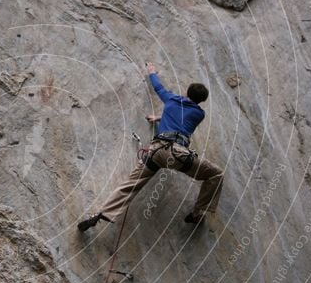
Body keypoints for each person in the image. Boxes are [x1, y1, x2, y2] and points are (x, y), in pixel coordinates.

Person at [77, 62, 223, 231]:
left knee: (129, 186)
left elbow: (158, 88)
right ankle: (197, 213)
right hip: (177, 155)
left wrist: (152, 72)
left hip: (156, 151)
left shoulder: (171, 99)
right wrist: (161, 118)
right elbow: (183, 120)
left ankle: (100, 213)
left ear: (187, 92)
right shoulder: (199, 114)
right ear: (202, 101)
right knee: (216, 174)